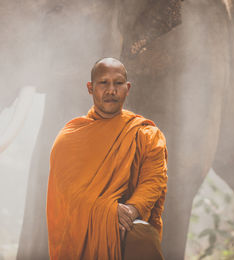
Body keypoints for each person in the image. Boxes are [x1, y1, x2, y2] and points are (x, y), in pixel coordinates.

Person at [46, 57, 168, 259]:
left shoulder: (145, 134)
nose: (111, 90)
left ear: (127, 88)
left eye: (118, 83)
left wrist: (130, 211)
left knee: (141, 236)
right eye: (103, 83)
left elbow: (154, 180)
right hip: (80, 236)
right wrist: (109, 212)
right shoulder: (70, 138)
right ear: (90, 88)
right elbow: (66, 194)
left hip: (129, 228)